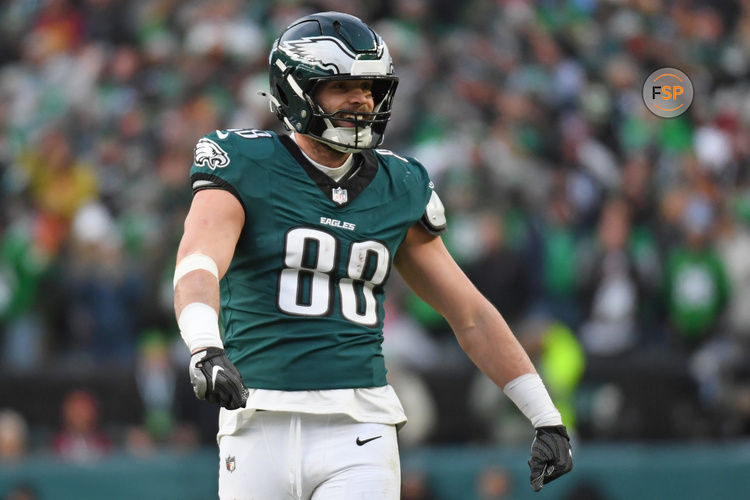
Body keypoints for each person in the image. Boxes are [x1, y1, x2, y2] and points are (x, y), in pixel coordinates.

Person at [173, 11, 572, 499]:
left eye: (369, 87)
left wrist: (544, 415)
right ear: (298, 89)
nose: (361, 99)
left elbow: (469, 313)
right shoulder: (245, 162)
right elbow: (198, 262)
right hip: (256, 419)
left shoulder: (398, 183)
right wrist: (203, 345)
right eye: (342, 86)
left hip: (358, 426)